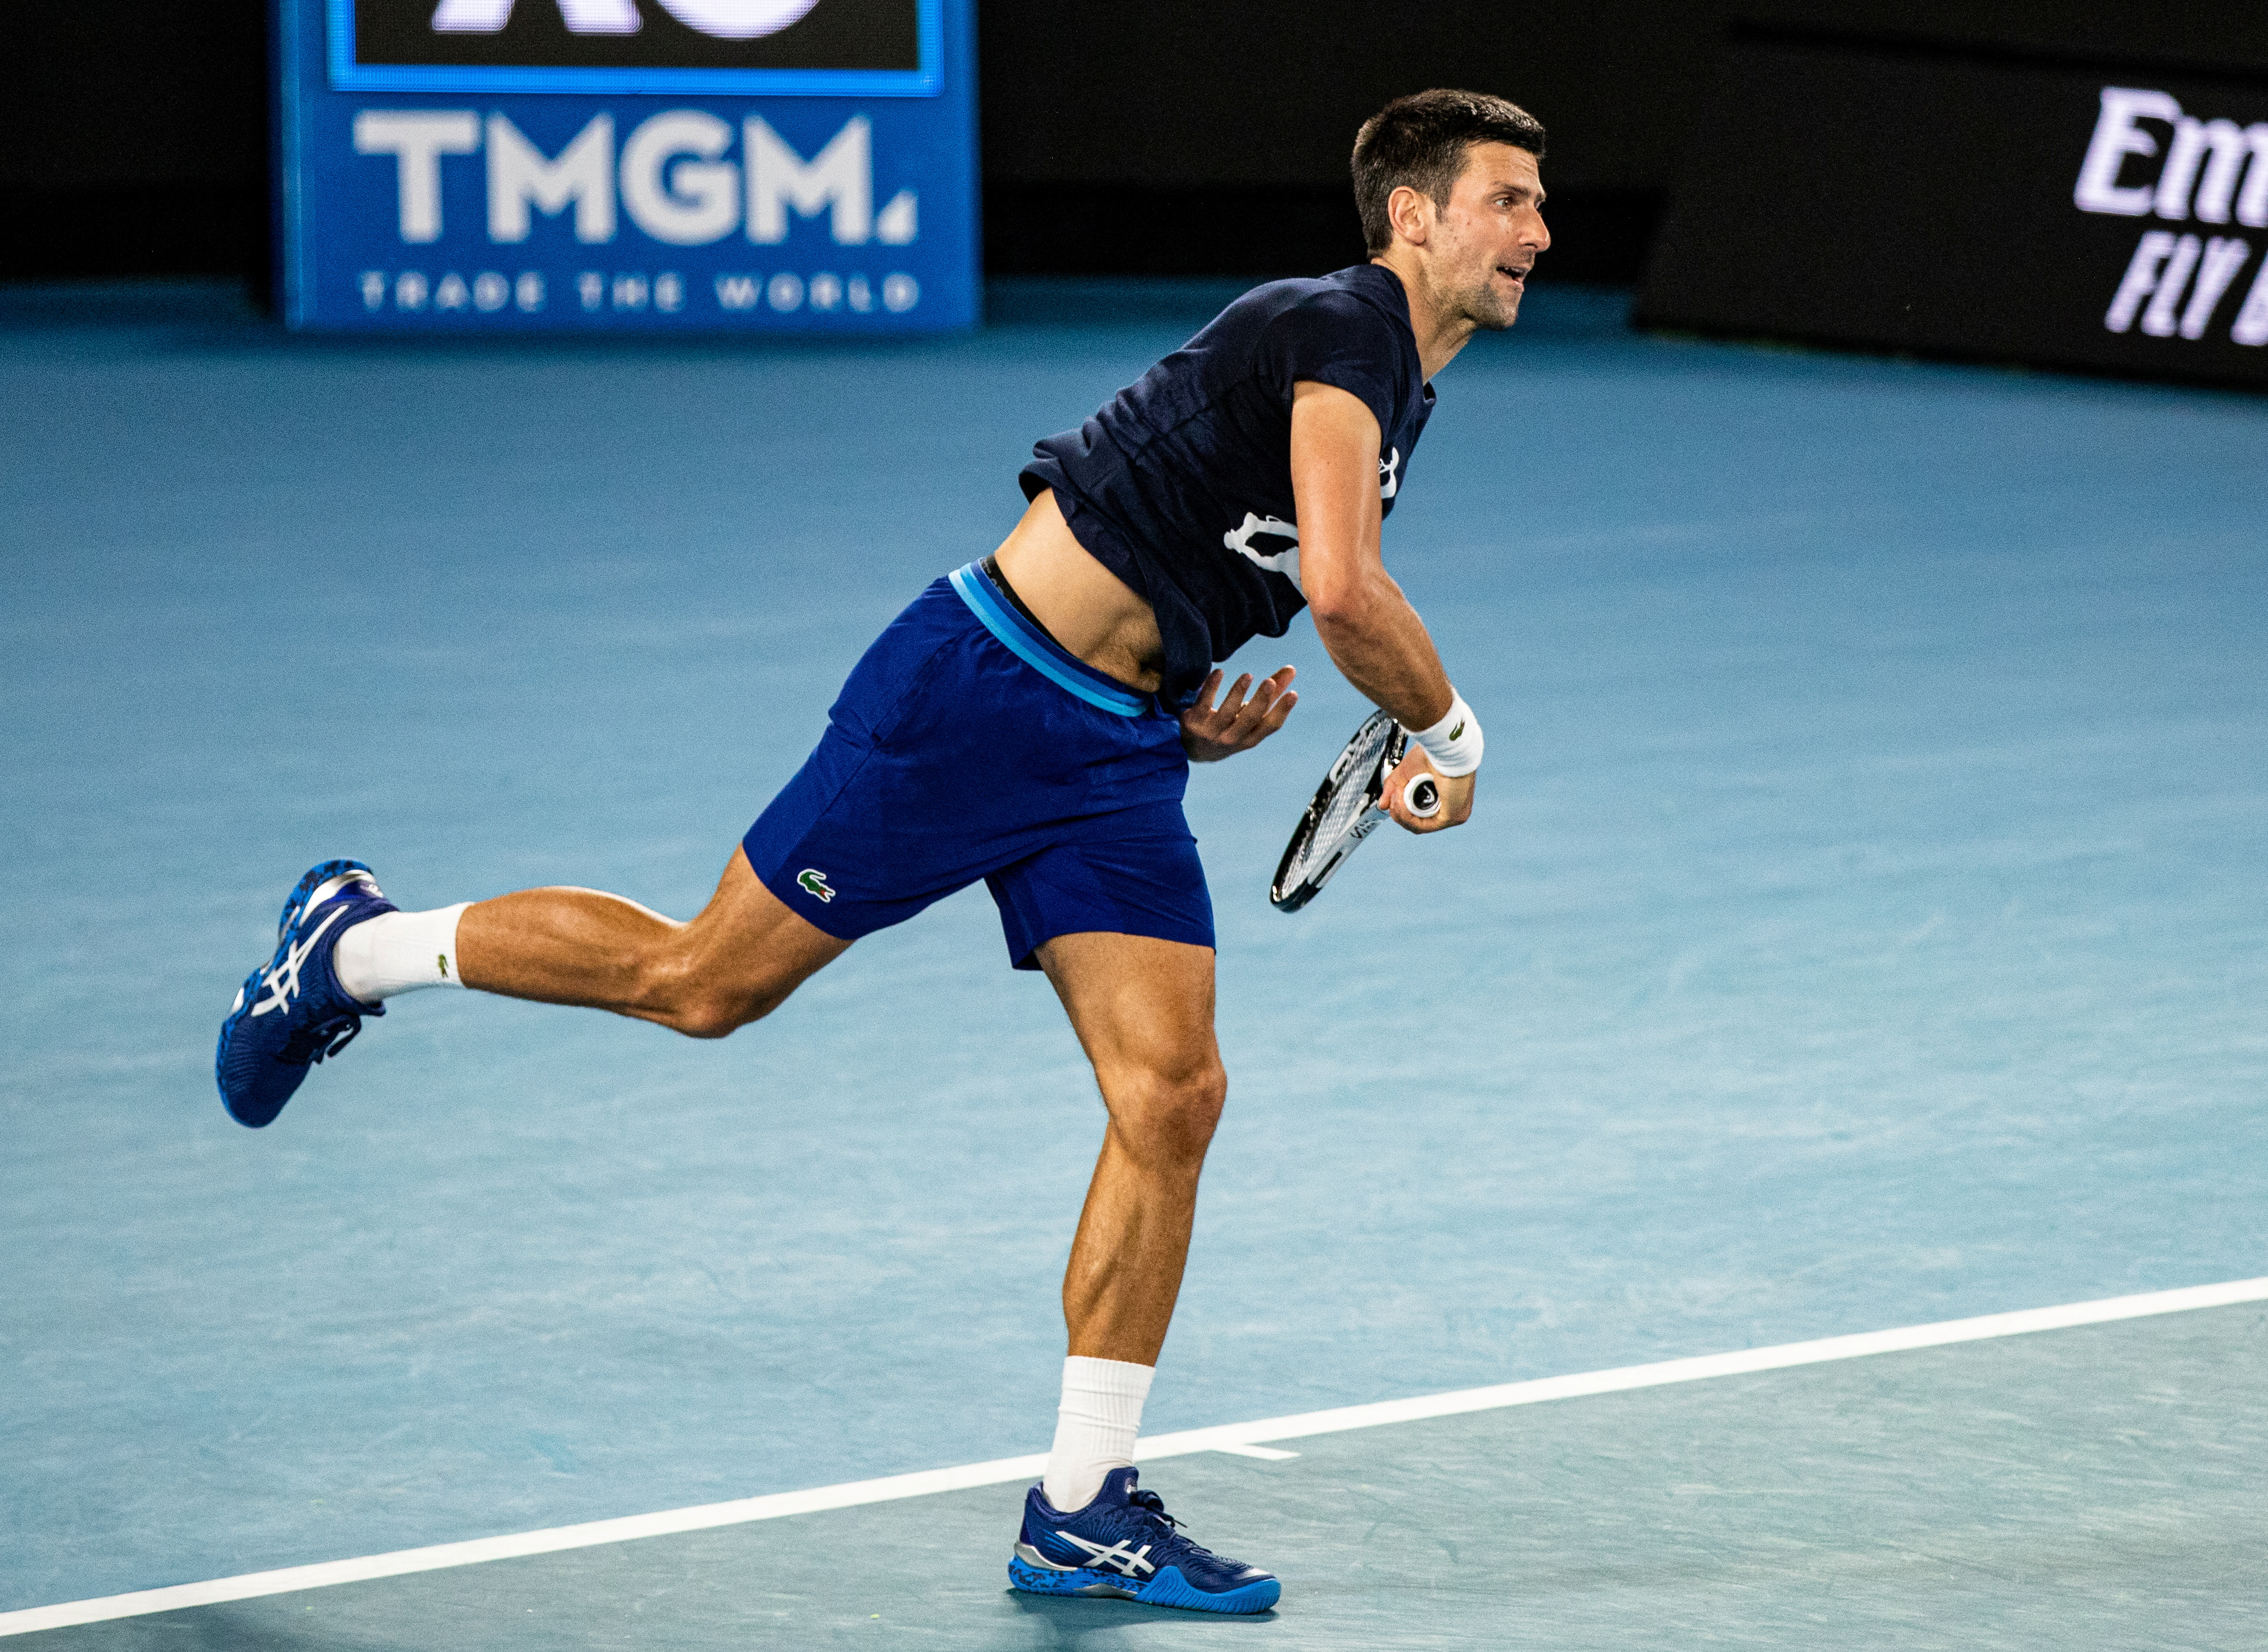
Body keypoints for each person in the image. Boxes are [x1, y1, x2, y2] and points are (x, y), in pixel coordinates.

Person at [215, 87, 1548, 1615]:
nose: (1539, 231)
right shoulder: (1348, 324)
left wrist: (1176, 703)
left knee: (1173, 1095)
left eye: (1538, 203)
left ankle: (1082, 1502)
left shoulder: (1398, 382)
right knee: (702, 982)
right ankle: (353, 947)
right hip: (973, 696)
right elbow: (1343, 588)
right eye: (1507, 199)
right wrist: (1451, 733)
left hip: (1113, 751)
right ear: (1413, 215)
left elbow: (1171, 520)